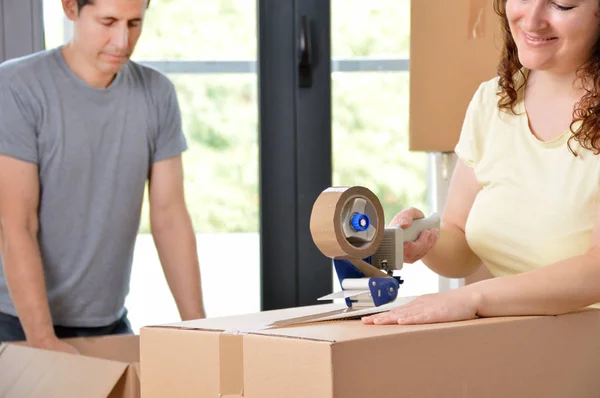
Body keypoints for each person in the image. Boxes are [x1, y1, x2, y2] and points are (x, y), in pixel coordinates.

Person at [363, 0, 600, 326]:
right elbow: (460, 240)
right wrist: (425, 242)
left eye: (562, 4)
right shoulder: (495, 100)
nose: (532, 19)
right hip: (525, 347)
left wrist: (472, 298)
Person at [0, 0, 206, 352]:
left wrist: (201, 329)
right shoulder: (16, 86)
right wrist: (42, 339)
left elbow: (170, 217)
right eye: (107, 22)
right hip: (17, 323)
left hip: (109, 321)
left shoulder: (157, 93)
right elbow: (17, 224)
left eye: (134, 24)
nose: (122, 41)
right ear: (70, 8)